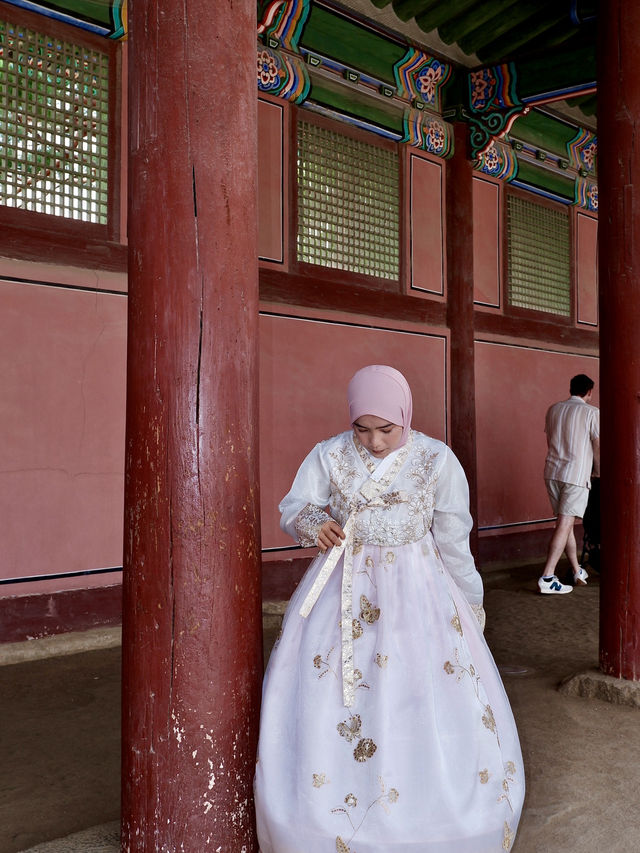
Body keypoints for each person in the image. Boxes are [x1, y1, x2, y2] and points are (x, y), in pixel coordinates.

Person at [254, 365, 524, 852]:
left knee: (416, 694)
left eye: (387, 429)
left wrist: (472, 601)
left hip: (419, 595)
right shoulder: (330, 454)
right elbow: (294, 505)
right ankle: (323, 816)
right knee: (336, 696)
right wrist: (314, 523)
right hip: (343, 593)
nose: (374, 442)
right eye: (363, 428)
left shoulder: (436, 460)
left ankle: (425, 812)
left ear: (406, 416)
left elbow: (454, 540)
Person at [539, 373, 600, 595]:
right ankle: (547, 576)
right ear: (589, 392)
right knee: (565, 524)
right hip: (575, 475)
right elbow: (597, 447)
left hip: (552, 472)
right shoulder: (592, 412)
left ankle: (576, 570)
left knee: (565, 523)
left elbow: (550, 441)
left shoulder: (553, 409)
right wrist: (598, 471)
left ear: (571, 388)